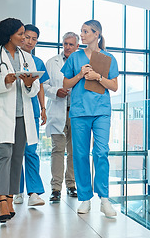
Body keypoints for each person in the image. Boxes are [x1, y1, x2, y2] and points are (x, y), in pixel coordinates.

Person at [0, 18, 40, 223]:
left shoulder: (27, 57)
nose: (24, 38)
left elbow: (36, 88)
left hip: (22, 115)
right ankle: (2, 200)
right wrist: (3, 80)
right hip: (2, 114)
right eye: (21, 34)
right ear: (9, 35)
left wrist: (30, 84)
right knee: (3, 154)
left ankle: (11, 198)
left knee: (17, 157)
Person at [61, 20, 118, 217]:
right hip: (79, 112)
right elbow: (66, 83)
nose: (82, 35)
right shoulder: (75, 57)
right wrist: (80, 74)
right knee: (80, 155)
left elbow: (114, 86)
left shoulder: (108, 57)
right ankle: (85, 198)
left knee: (101, 152)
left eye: (85, 32)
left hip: (101, 111)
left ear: (97, 34)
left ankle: (104, 199)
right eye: (81, 31)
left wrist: (97, 77)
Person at [12, 24, 50, 206]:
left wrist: (43, 108)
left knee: (31, 151)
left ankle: (33, 192)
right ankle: (17, 190)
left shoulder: (38, 62)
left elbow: (41, 86)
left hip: (32, 110)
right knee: (15, 152)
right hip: (12, 110)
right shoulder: (11, 59)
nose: (30, 41)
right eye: (27, 37)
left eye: (34, 39)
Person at [43, 32, 79, 202]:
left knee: (73, 151)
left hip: (77, 113)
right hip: (57, 111)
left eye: (71, 44)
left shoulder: (82, 62)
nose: (67, 47)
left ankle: (71, 185)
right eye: (65, 44)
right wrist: (56, 91)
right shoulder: (52, 63)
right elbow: (44, 86)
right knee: (57, 150)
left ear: (77, 46)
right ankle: (56, 188)